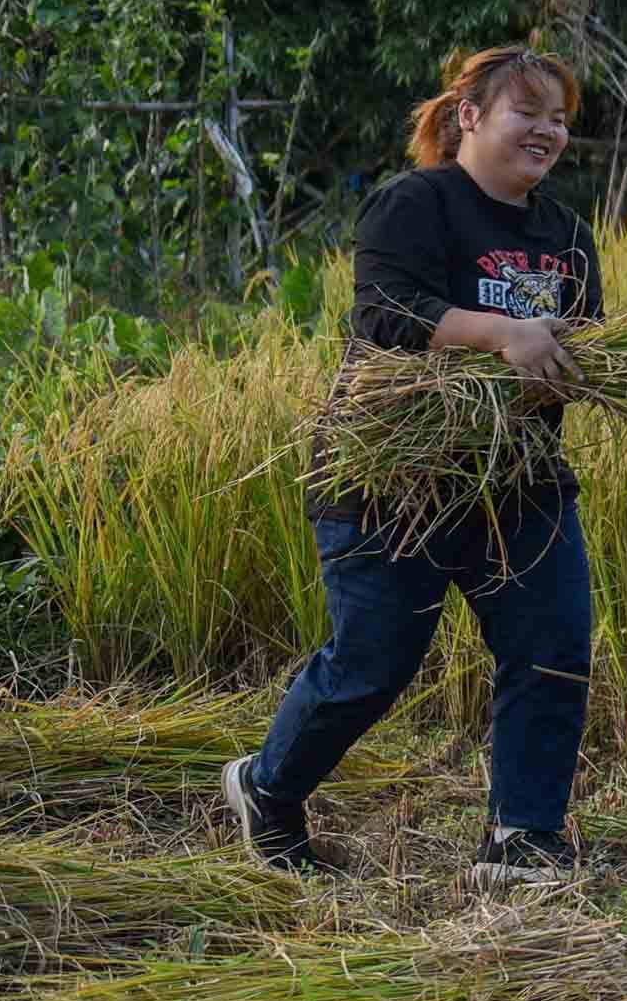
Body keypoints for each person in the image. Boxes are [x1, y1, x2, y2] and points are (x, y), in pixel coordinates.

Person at [224, 45, 606, 885]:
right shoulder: (416, 203)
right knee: (372, 663)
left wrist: (595, 362)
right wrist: (503, 333)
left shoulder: (567, 236)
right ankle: (267, 789)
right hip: (392, 476)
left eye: (560, 118)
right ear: (469, 115)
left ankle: (522, 840)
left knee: (551, 645)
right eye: (527, 111)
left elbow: (581, 341)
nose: (548, 130)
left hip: (518, 475)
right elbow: (387, 314)